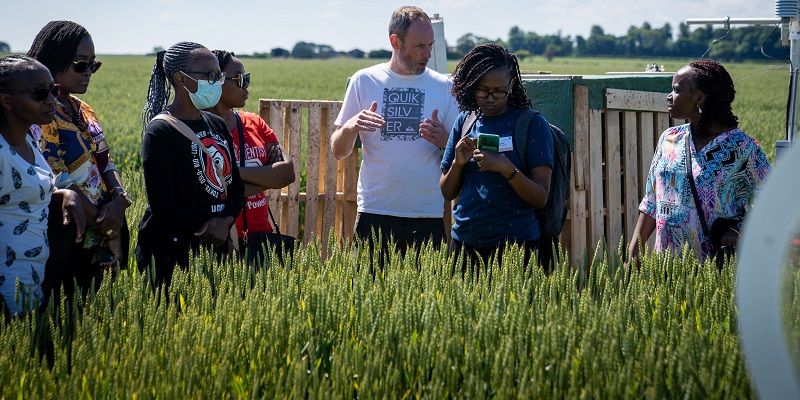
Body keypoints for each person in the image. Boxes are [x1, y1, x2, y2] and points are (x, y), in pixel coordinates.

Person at [330, 6, 459, 271]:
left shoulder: (445, 87)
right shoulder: (364, 80)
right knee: (367, 300)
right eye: (420, 46)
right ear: (394, 41)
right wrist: (351, 126)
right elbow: (338, 150)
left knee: (425, 303)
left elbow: (461, 153)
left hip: (427, 213)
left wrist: (444, 140)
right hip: (374, 212)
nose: (428, 53)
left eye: (430, 45)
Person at [628, 60, 771, 266]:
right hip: (667, 266)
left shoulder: (742, 148)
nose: (669, 97)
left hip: (713, 269)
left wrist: (739, 229)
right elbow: (651, 200)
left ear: (700, 98)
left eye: (676, 90)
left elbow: (773, 201)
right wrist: (634, 254)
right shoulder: (670, 138)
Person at [27, 21, 131, 295]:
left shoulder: (83, 108)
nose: (88, 73)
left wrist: (120, 200)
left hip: (106, 223)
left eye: (93, 65)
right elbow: (53, 176)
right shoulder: (37, 111)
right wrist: (107, 227)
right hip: (68, 228)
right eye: (80, 64)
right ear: (54, 59)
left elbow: (106, 162)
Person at [440, 44, 553, 274]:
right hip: (465, 245)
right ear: (471, 85)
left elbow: (541, 197)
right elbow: (447, 192)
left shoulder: (532, 125)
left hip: (517, 249)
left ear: (511, 86)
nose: (490, 98)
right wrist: (458, 164)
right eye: (483, 90)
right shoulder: (465, 121)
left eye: (498, 91)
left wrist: (507, 169)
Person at [137, 42, 244, 286]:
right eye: (210, 75)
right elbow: (163, 203)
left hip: (217, 247)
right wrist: (206, 227)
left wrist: (226, 220)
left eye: (219, 75)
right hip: (173, 252)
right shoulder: (161, 131)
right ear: (181, 79)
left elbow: (235, 185)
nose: (217, 81)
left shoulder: (215, 123)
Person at [0, 55, 84, 317]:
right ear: (6, 100)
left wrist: (64, 193)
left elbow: (22, 193)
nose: (52, 99)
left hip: (33, 281)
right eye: (40, 93)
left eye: (53, 90)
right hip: (5, 290)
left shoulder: (28, 140)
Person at [207, 50, 295, 265]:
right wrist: (264, 178)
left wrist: (232, 174)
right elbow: (211, 192)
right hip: (219, 241)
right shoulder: (201, 129)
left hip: (260, 238)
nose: (246, 85)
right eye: (239, 79)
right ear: (216, 80)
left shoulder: (254, 122)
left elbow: (286, 173)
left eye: (247, 78)